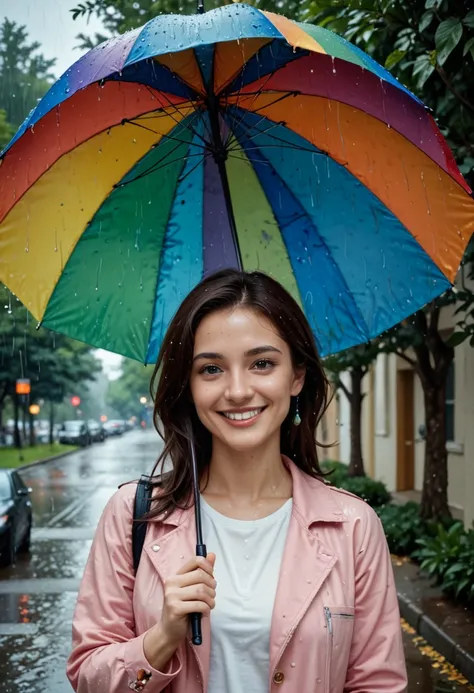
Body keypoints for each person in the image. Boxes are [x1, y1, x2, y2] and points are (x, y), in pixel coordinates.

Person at [67, 269, 407, 693]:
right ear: (189, 386)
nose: (238, 390)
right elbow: (87, 678)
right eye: (211, 369)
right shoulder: (133, 516)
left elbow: (378, 684)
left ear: (296, 376)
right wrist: (160, 638)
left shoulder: (353, 527)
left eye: (262, 363)